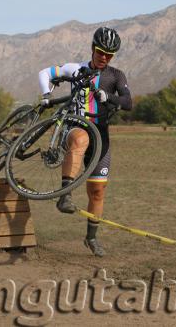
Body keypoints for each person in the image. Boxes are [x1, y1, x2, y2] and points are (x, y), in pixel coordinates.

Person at [37, 27, 132, 257]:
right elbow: (45, 74)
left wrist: (107, 97)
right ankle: (64, 196)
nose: (104, 57)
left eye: (110, 54)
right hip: (76, 125)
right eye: (101, 52)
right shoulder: (75, 68)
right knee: (81, 138)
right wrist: (46, 95)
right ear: (92, 48)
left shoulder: (116, 75)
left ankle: (91, 238)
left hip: (102, 136)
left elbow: (128, 102)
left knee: (97, 192)